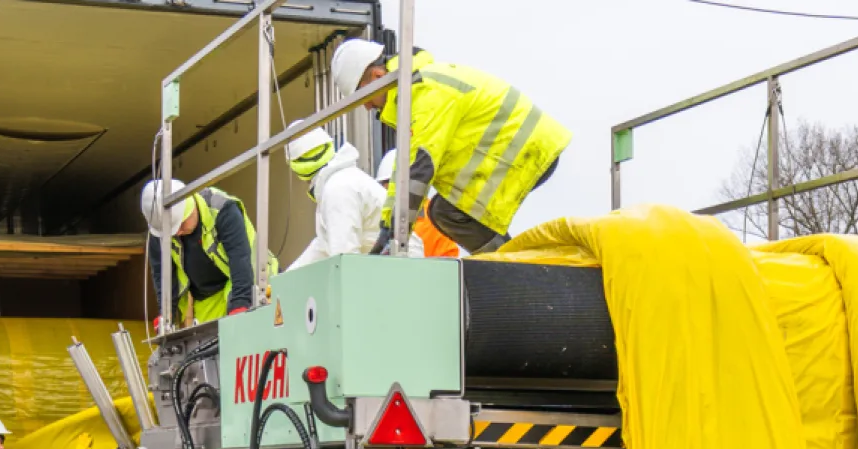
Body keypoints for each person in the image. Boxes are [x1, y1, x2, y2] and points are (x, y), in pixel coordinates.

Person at [329, 36, 568, 255]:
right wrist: (386, 226)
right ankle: (512, 264)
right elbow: (403, 172)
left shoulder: (424, 92)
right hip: (517, 149)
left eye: (364, 98)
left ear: (378, 78)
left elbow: (420, 168)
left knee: (448, 212)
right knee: (449, 211)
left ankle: (512, 269)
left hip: (524, 149)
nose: (367, 108)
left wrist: (397, 233)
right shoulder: (413, 95)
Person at [140, 180, 271, 324]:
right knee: (209, 345)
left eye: (181, 224)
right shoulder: (160, 233)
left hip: (254, 281)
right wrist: (166, 315)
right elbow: (163, 276)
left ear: (191, 208)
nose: (178, 232)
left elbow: (240, 258)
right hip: (208, 299)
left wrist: (240, 305)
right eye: (172, 231)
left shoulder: (222, 210)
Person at [286, 128, 385, 269]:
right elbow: (322, 247)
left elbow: (345, 258)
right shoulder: (340, 182)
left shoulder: (337, 189)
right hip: (393, 268)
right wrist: (284, 280)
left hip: (399, 272)